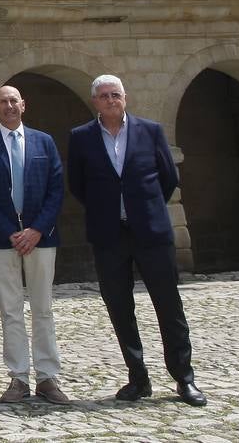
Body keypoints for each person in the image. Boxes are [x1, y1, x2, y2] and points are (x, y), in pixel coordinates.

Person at [68, 74, 208, 407]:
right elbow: (78, 184)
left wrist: (141, 207)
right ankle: (138, 376)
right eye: (103, 96)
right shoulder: (82, 137)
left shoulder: (150, 130)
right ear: (95, 102)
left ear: (125, 97)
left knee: (169, 306)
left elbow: (168, 178)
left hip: (151, 233)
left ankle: (184, 379)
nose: (110, 100)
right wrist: (109, 210)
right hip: (109, 235)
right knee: (119, 307)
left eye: (115, 94)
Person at [0, 85, 68, 404]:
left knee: (43, 308)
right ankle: (18, 377)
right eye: (3, 102)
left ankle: (47, 377)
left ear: (23, 105)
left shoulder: (44, 141)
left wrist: (37, 229)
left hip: (41, 237)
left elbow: (56, 188)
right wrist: (8, 230)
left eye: (14, 101)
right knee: (10, 309)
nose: (10, 106)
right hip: (2, 240)